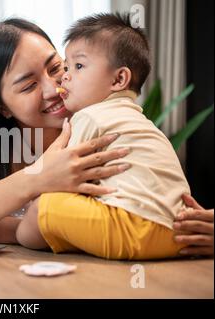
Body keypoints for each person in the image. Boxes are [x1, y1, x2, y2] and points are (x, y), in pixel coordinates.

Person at [0, 18, 214, 258]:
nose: (55, 88)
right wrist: (38, 177)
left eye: (57, 68)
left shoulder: (96, 115)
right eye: (29, 85)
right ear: (1, 106)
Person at [15, 12, 195, 260]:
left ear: (119, 78)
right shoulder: (140, 122)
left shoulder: (90, 117)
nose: (65, 76)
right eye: (66, 67)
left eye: (78, 66)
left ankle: (15, 232)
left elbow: (63, 181)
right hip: (178, 233)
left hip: (134, 228)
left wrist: (27, 219)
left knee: (43, 208)